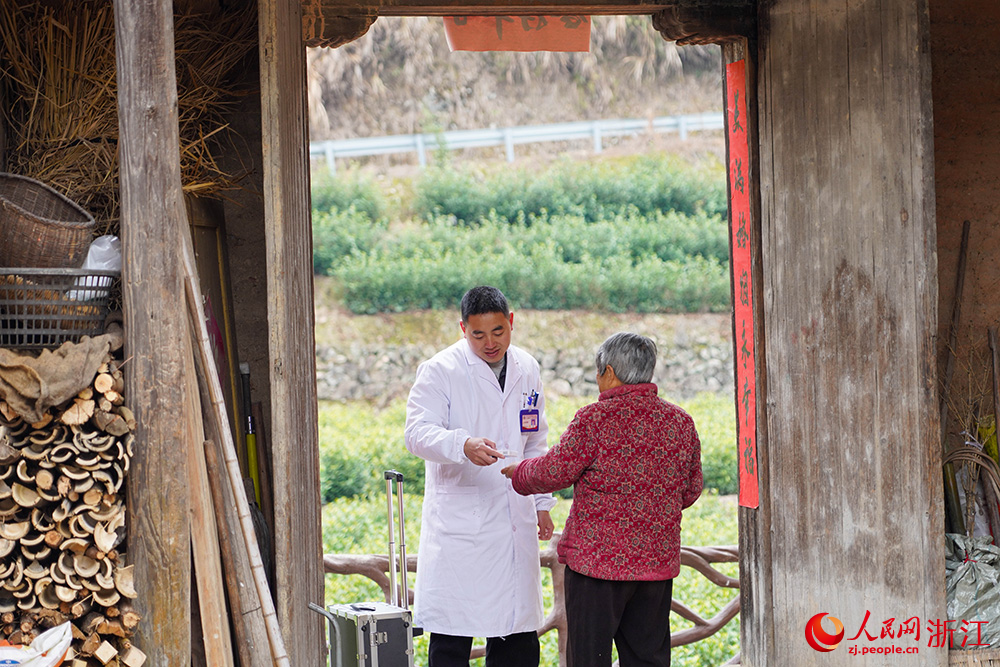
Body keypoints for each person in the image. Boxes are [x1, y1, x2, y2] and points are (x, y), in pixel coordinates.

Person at [502, 332, 703, 667]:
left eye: (598, 373)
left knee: (589, 658)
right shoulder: (680, 422)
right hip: (654, 568)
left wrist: (518, 471)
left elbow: (554, 472)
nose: (597, 380)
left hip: (597, 571)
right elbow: (691, 489)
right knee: (648, 658)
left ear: (609, 372)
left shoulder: (595, 418)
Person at [404, 285, 555, 667]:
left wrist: (541, 503)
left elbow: (535, 439)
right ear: (462, 328)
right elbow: (416, 433)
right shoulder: (441, 370)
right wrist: (462, 445)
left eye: (498, 332)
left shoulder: (527, 368)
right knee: (453, 642)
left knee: (518, 639)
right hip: (462, 529)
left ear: (512, 322)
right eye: (478, 334)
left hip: (514, 517)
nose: (490, 343)